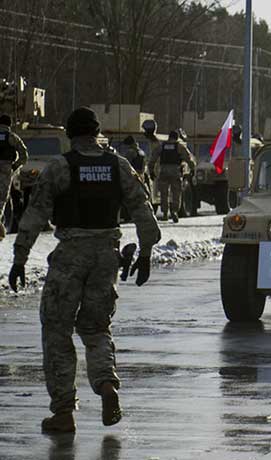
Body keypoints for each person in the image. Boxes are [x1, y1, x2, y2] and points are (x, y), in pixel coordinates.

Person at [8, 107, 161, 433]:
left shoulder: (60, 168)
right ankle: (107, 385)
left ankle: (63, 412)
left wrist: (20, 258)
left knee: (56, 329)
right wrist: (145, 254)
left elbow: (34, 215)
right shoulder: (118, 166)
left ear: (69, 133)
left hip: (70, 256)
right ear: (96, 133)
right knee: (96, 328)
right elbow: (145, 213)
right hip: (107, 256)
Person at [148, 131, 195, 223]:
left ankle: (165, 213)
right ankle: (174, 211)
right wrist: (192, 168)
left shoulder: (162, 146)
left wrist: (151, 171)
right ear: (176, 137)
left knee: (164, 194)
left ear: (169, 137)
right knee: (176, 193)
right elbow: (188, 158)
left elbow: (153, 158)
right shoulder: (179, 146)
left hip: (163, 171)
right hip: (175, 172)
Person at [0, 113, 29, 240]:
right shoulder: (12, 137)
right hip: (5, 170)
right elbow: (24, 155)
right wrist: (14, 166)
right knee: (2, 199)